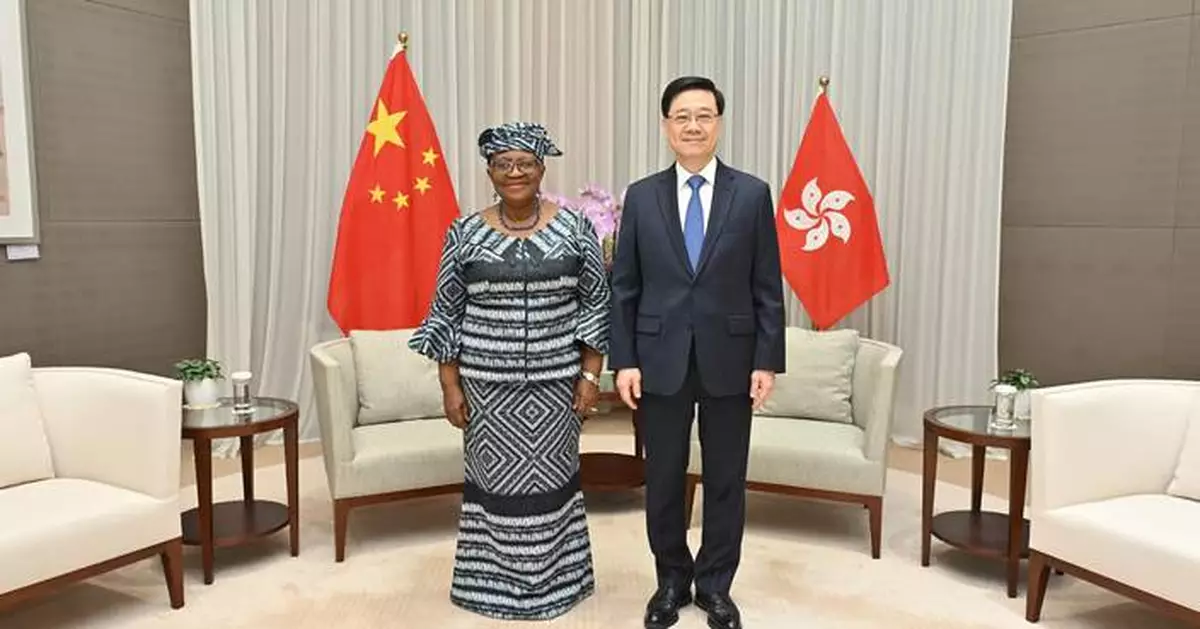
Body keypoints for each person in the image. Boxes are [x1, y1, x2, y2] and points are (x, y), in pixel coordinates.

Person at [408, 121, 610, 620]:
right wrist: (450, 385)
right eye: (503, 164)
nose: (514, 172)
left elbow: (597, 306)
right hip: (486, 391)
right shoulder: (464, 232)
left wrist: (589, 378)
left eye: (525, 163)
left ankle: (557, 586)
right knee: (493, 487)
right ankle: (488, 588)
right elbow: (446, 314)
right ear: (490, 173)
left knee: (553, 484)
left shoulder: (575, 228)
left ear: (542, 169)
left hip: (554, 390)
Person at [609, 77, 786, 629]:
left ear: (719, 123)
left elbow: (767, 287)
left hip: (731, 359)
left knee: (726, 477)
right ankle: (669, 583)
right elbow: (625, 287)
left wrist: (766, 360)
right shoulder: (640, 196)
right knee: (662, 476)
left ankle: (715, 587)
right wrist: (625, 360)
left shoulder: (752, 194)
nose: (692, 125)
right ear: (666, 127)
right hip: (658, 359)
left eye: (703, 115)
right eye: (681, 116)